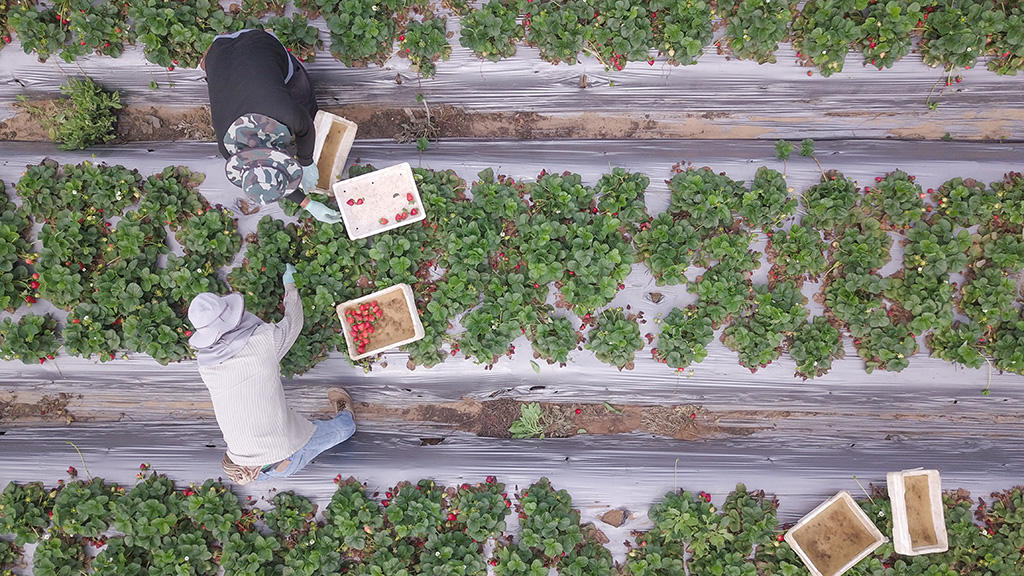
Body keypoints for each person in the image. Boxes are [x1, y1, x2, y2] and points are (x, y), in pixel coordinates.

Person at [187, 264, 355, 484]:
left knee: (271, 449)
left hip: (246, 461)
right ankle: (346, 414)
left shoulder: (206, 365)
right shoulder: (262, 341)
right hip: (285, 451)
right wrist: (290, 286)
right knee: (344, 429)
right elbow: (294, 322)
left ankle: (260, 471)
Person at [201, 29, 342, 224]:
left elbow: (306, 127)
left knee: (301, 88)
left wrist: (306, 161)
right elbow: (268, 178)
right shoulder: (229, 151)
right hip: (218, 51)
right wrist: (308, 204)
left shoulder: (285, 113)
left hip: (258, 42)